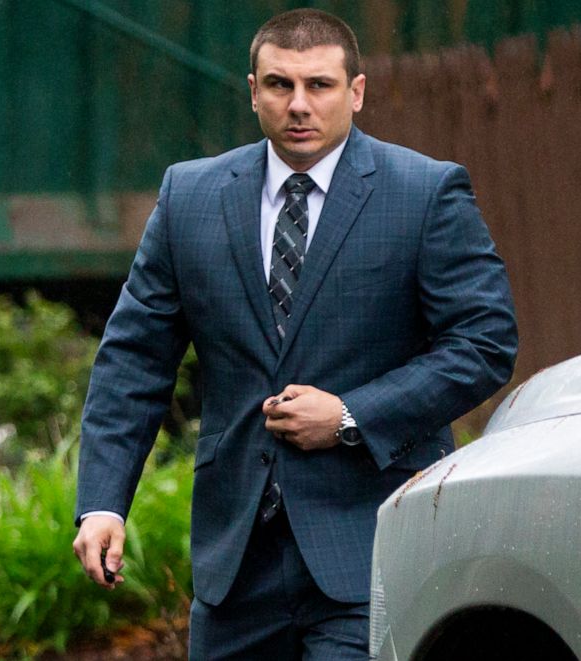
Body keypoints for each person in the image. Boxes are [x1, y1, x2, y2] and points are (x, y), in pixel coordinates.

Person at [72, 8, 517, 660]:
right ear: (253, 91)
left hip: (369, 546)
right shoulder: (190, 196)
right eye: (280, 85)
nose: (299, 105)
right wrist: (103, 502)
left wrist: (349, 414)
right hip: (236, 562)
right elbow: (134, 360)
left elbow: (484, 342)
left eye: (320, 85)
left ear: (356, 92)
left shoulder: (423, 192)